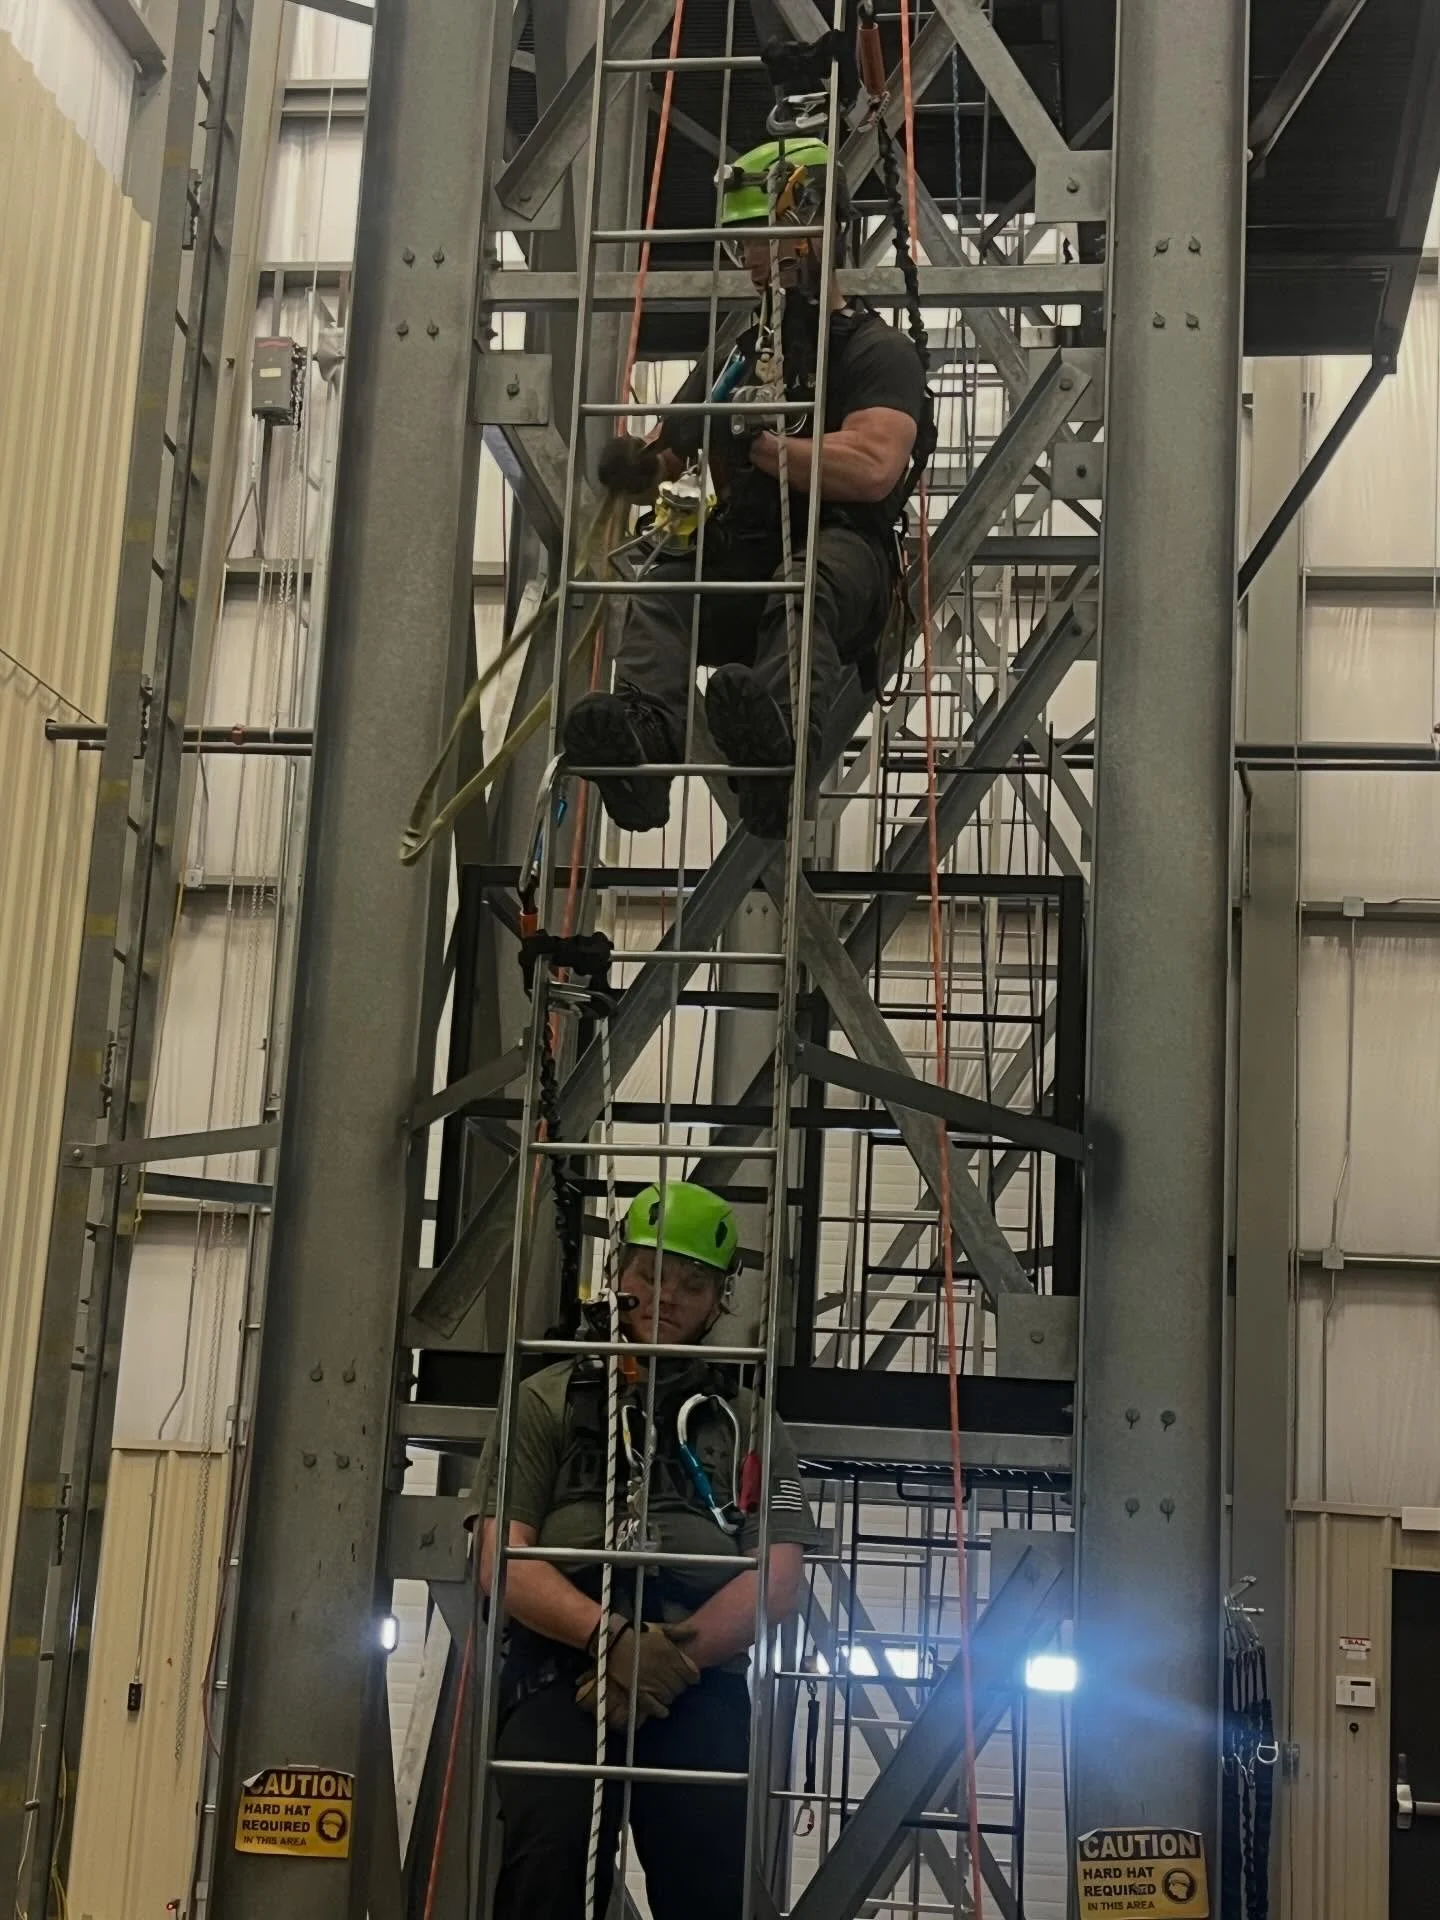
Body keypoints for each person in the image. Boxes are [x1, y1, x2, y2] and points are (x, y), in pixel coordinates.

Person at [564, 137, 929, 839]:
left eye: (760, 240)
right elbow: (673, 450)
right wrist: (640, 468)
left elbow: (873, 465)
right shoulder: (740, 355)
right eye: (741, 246)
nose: (752, 262)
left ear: (809, 229)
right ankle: (644, 738)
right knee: (666, 582)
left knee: (804, 580)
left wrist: (764, 446)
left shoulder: (875, 351)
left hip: (844, 557)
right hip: (749, 553)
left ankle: (780, 751)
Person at [476, 1180, 817, 1920]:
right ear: (617, 1276)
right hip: (561, 1674)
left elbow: (778, 1580)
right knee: (549, 1861)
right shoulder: (546, 1401)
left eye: (692, 1284)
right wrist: (610, 1641)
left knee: (706, 1876)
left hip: (697, 1685)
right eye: (649, 1275)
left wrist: (669, 1662)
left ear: (719, 1301)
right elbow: (501, 1560)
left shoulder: (749, 1426)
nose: (667, 1296)